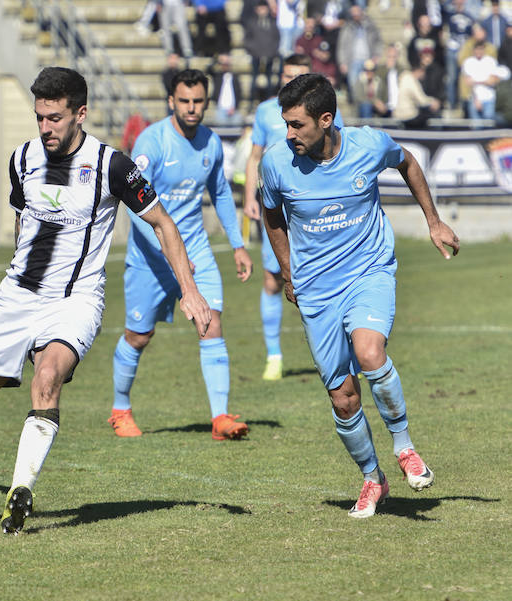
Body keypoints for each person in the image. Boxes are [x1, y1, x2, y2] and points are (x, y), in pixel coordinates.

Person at [0, 67, 213, 534]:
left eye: (55, 118)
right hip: (16, 297)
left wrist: (191, 292)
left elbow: (165, 225)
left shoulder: (113, 166)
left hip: (76, 300)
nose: (45, 127)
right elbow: (21, 224)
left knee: (47, 378)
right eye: (39, 117)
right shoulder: (21, 158)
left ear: (80, 113)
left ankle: (19, 492)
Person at [259, 73, 459, 518]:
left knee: (369, 353)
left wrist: (434, 221)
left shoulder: (367, 145)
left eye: (297, 125)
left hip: (369, 270)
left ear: (326, 120)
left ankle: (404, 447)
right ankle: (374, 478)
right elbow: (272, 214)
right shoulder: (276, 163)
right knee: (343, 397)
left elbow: (406, 161)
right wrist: (288, 269)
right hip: (315, 288)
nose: (289, 134)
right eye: (285, 124)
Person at [108, 68, 253, 440]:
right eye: (184, 101)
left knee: (210, 322)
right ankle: (120, 409)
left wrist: (237, 244)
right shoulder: (151, 142)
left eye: (198, 102)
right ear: (171, 101)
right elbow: (134, 205)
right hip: (150, 257)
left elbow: (220, 193)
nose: (191, 108)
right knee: (138, 336)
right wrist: (166, 251)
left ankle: (220, 418)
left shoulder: (211, 143)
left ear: (206, 102)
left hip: (197, 249)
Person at [243, 54, 345, 381]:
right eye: (288, 74)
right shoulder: (265, 112)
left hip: (311, 203)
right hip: (276, 202)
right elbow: (254, 156)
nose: (292, 80)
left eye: (298, 75)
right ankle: (274, 355)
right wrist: (249, 198)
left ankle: (340, 352)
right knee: (273, 279)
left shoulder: (320, 112)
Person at [207, 53, 244, 125]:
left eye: (227, 64)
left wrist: (235, 107)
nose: (225, 66)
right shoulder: (217, 76)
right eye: (223, 64)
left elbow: (239, 93)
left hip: (234, 110)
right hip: (220, 109)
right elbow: (208, 70)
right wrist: (217, 59)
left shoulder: (235, 77)